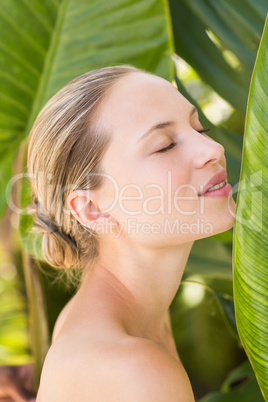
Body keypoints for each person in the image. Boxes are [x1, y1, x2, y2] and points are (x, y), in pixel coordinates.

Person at [26, 65, 236, 401]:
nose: (212, 149)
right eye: (165, 146)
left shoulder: (123, 318)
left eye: (199, 127)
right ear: (92, 210)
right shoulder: (134, 371)